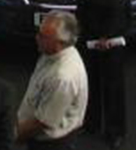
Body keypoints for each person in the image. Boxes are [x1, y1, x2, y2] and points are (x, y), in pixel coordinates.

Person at [76, 0, 131, 150]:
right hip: (103, 30)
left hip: (104, 31)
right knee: (101, 79)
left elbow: (113, 0)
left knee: (108, 81)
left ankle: (111, 127)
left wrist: (102, 34)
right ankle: (100, 124)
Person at [17, 11, 88, 150]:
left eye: (43, 36)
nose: (36, 38)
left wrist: (13, 136)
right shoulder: (51, 53)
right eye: (38, 33)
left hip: (49, 144)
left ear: (60, 42)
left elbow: (42, 123)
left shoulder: (62, 77)